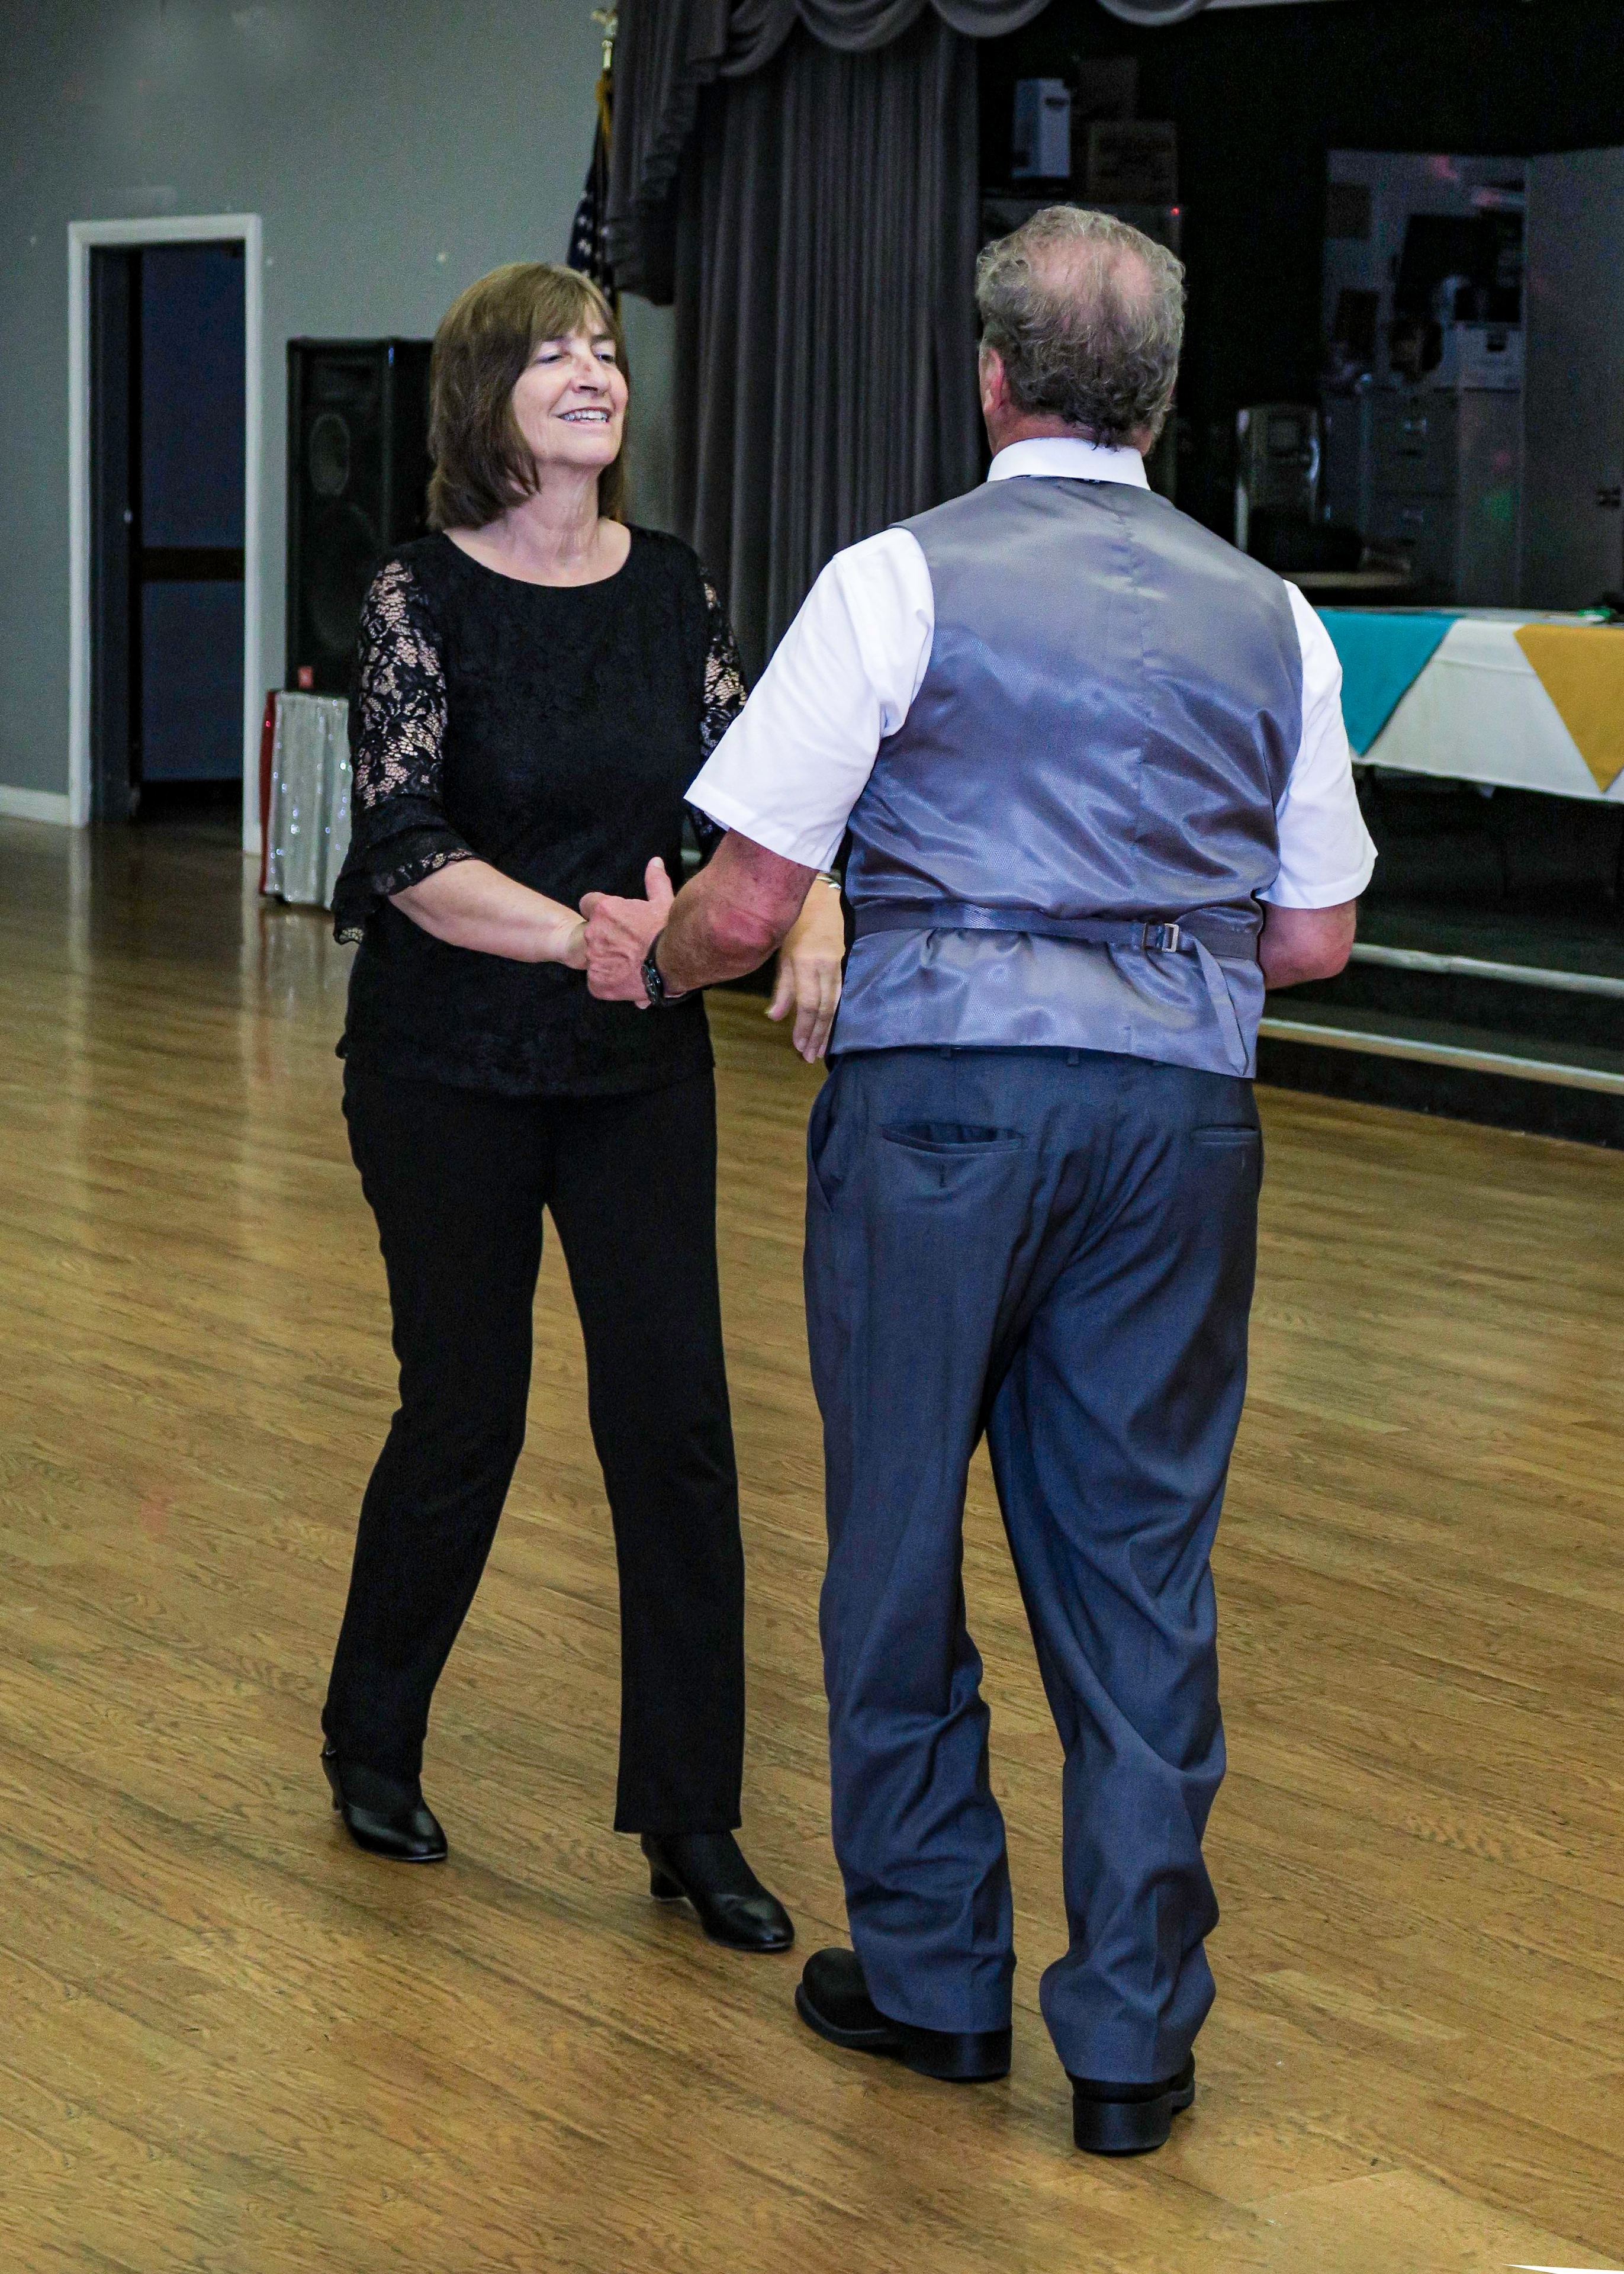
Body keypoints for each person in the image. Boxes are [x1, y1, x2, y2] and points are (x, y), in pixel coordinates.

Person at [581, 208, 1375, 2143]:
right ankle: (1132, 2043)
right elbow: (1314, 938)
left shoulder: (893, 581)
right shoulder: (1274, 616)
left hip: (939, 1112)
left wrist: (653, 961)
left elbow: (751, 902)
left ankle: (937, 1984)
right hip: (1177, 1130)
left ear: (994, 376)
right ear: (1162, 401)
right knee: (1140, 1571)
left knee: (898, 1540)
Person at [320, 261, 845, 1958]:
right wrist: (595, 941)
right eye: (554, 355)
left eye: (607, 352)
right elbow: (404, 843)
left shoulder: (672, 587)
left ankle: (691, 1816)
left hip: (634, 1073)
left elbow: (759, 798)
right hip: (446, 1067)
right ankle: (372, 1738)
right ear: (487, 396)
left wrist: (811, 913)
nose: (593, 375)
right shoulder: (415, 594)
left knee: (675, 1427)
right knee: (465, 1412)